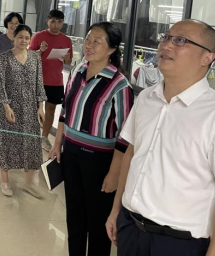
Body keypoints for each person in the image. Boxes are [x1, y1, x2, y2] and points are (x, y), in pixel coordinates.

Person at [105, 20, 215, 256]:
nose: (166, 45)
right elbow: (132, 155)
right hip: (131, 228)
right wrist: (116, 210)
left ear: (207, 57)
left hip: (179, 244)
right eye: (165, 37)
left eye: (181, 40)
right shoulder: (146, 99)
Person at [49, 22, 134, 256]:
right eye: (88, 39)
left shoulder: (119, 84)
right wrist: (57, 143)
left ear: (112, 49)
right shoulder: (77, 71)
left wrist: (115, 174)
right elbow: (65, 110)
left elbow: (125, 137)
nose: (89, 45)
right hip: (71, 155)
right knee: (74, 217)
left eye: (97, 41)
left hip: (99, 162)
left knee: (97, 223)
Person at [0, 25, 47, 198]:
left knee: (32, 144)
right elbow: (0, 85)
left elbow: (39, 83)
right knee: (6, 143)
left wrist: (41, 107)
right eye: (20, 37)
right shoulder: (4, 58)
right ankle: (5, 181)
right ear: (14, 38)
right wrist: (6, 107)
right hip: (11, 108)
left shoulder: (35, 58)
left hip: (30, 108)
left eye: (27, 37)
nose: (24, 40)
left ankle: (30, 183)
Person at [29, 9, 72, 151]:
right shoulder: (38, 36)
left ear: (63, 23)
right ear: (47, 21)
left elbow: (68, 62)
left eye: (59, 22)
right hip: (37, 79)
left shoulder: (66, 40)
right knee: (33, 110)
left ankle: (44, 138)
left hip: (55, 81)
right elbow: (28, 58)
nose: (56, 25)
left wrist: (67, 59)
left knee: (50, 110)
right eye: (53, 21)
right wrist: (40, 51)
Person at [0, 12, 25, 151]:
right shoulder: (0, 39)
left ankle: (6, 143)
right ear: (7, 24)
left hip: (13, 83)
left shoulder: (21, 41)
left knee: (11, 114)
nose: (14, 25)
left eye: (17, 23)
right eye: (11, 22)